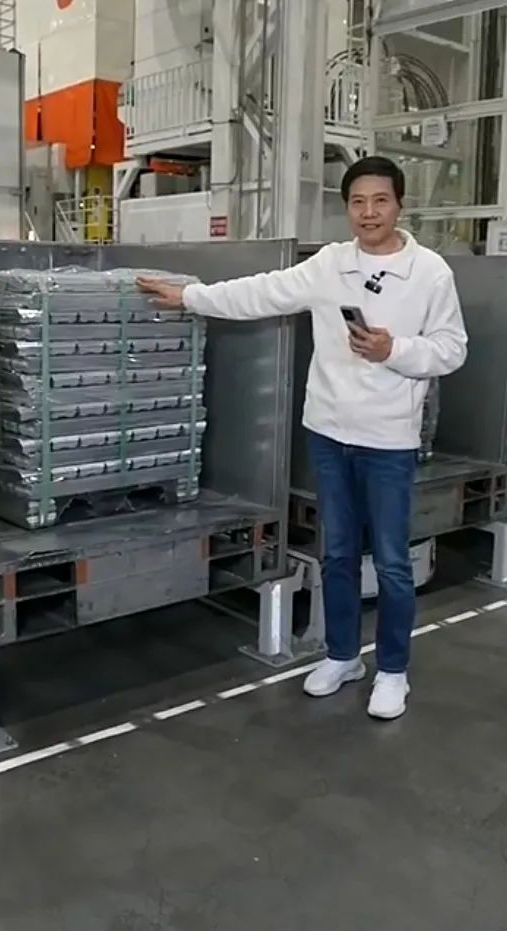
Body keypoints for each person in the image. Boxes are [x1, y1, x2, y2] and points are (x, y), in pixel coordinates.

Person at [138, 156, 467, 721]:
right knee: (336, 553)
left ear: (400, 205)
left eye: (380, 201)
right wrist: (190, 297)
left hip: (388, 441)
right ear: (347, 209)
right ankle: (342, 655)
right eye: (358, 202)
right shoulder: (330, 265)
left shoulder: (430, 273)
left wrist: (395, 350)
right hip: (330, 434)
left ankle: (393, 671)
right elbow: (261, 293)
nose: (369, 212)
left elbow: (452, 348)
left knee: (391, 561)